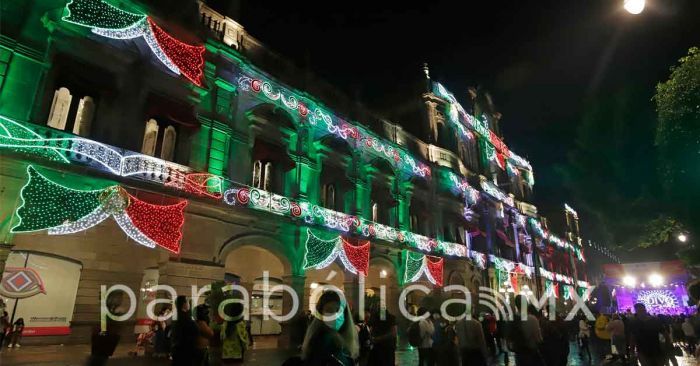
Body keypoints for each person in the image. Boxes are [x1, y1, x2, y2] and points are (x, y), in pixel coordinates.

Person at [301, 291, 359, 366]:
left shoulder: (344, 340)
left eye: (339, 310)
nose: (335, 315)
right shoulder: (323, 340)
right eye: (329, 310)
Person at [507, 297, 544, 366]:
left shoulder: (511, 319)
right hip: (531, 353)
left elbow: (509, 339)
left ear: (516, 305)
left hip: (518, 354)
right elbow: (538, 339)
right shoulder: (532, 319)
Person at [170, 295, 198, 366]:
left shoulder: (175, 316)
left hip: (177, 349)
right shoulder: (185, 317)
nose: (189, 304)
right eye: (188, 302)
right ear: (184, 304)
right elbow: (195, 331)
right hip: (185, 350)